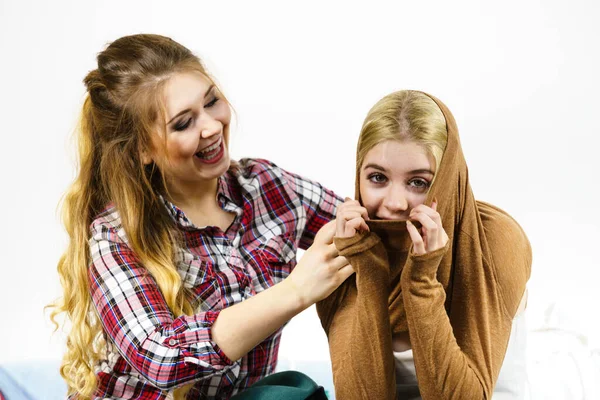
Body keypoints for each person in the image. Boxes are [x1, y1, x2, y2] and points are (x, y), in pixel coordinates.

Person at [47, 33, 355, 400]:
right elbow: (160, 358)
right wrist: (295, 291)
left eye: (212, 102)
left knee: (296, 392)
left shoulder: (267, 187)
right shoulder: (117, 236)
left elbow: (360, 227)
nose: (211, 126)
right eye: (183, 123)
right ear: (142, 148)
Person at [316, 90, 532, 399]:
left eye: (418, 182)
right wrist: (370, 274)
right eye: (377, 178)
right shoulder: (343, 251)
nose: (394, 203)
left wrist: (420, 282)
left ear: (447, 179)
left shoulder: (495, 240)